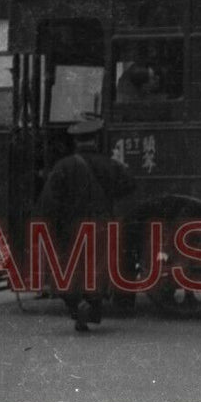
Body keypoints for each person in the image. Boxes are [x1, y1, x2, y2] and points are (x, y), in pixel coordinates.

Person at [36, 117, 136, 332]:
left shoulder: (64, 166)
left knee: (67, 271)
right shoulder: (110, 164)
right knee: (96, 271)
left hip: (71, 228)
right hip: (101, 225)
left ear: (75, 142)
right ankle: (90, 310)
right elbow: (129, 185)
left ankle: (76, 305)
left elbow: (49, 202)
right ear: (96, 140)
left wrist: (51, 225)